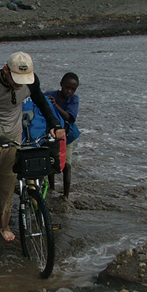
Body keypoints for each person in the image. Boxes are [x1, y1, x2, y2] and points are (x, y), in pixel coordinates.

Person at [0, 52, 66, 258]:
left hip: (14, 138)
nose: (19, 85)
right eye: (16, 79)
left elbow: (41, 101)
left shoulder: (31, 82)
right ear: (6, 70)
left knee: (7, 187)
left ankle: (4, 226)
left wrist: (55, 124)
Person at [45, 72, 80, 200]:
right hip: (51, 133)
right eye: (67, 87)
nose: (69, 91)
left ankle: (65, 195)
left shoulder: (74, 99)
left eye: (72, 89)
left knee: (66, 164)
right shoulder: (49, 95)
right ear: (61, 85)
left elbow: (69, 117)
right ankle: (52, 188)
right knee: (50, 161)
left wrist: (55, 105)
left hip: (67, 135)